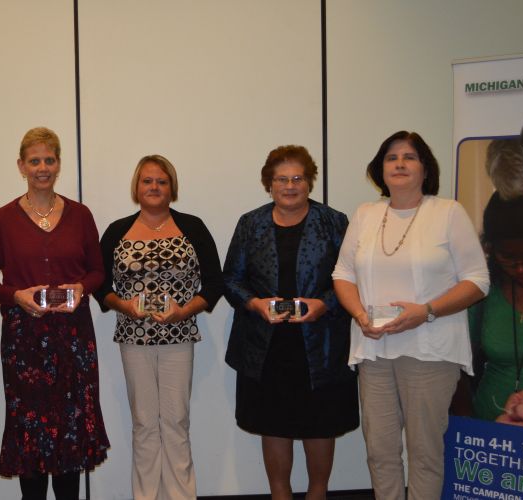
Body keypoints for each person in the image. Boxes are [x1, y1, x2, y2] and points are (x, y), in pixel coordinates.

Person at [332, 131, 490, 500]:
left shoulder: (448, 212)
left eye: (409, 157)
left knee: (425, 453)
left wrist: (427, 311)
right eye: (391, 157)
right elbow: (342, 274)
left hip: (430, 350)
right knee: (380, 451)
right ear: (380, 169)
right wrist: (358, 313)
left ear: (425, 168)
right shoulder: (366, 214)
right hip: (374, 350)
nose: (400, 164)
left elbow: (478, 281)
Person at [0, 127, 109, 500]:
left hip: (74, 340)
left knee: (70, 433)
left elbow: (99, 271)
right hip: (25, 342)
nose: (42, 167)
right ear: (21, 166)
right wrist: (16, 295)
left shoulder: (80, 215)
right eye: (34, 160)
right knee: (31, 436)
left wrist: (81, 288)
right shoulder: (3, 219)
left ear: (58, 164)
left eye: (49, 160)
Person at [224, 145, 358, 500]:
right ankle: (279, 496)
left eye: (297, 178)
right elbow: (231, 280)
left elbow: (352, 278)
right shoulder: (250, 224)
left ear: (310, 181)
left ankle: (318, 494)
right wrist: (254, 303)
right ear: (269, 184)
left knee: (319, 425)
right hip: (266, 347)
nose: (289, 186)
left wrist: (324, 304)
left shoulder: (334, 222)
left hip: (321, 345)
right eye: (281, 179)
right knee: (274, 425)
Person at [95, 154, 222, 500]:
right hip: (133, 339)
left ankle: (182, 495)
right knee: (144, 424)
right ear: (137, 187)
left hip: (179, 337)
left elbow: (214, 284)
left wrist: (184, 312)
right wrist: (122, 306)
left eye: (161, 181)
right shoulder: (117, 231)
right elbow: (98, 283)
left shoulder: (192, 227)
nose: (154, 187)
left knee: (176, 422)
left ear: (172, 188)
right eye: (147, 181)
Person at [469, 192, 523, 421]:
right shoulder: (483, 292)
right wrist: (468, 426)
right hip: (486, 432)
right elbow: (457, 368)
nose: (520, 269)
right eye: (508, 257)